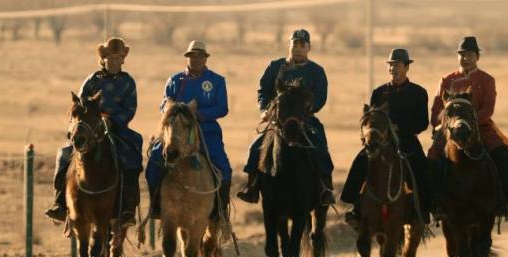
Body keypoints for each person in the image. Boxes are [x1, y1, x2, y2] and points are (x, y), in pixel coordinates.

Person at [45, 37, 142, 227]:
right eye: (110, 58)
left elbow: (130, 109)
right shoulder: (92, 80)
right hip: (90, 128)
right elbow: (79, 105)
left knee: (132, 155)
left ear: (123, 59)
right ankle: (60, 204)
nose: (114, 61)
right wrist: (87, 122)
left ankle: (127, 209)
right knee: (64, 155)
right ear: (103, 59)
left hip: (117, 129)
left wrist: (112, 120)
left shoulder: (128, 82)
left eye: (118, 58)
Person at [236, 28, 334, 205]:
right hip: (278, 120)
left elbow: (320, 96)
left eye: (302, 45)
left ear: (309, 48)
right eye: (294, 44)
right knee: (255, 147)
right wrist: (265, 110)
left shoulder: (316, 71)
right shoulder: (275, 67)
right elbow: (263, 91)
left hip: (305, 120)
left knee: (320, 144)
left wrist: (307, 107)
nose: (298, 48)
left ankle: (325, 187)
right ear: (288, 45)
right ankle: (252, 187)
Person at [341, 48, 430, 228]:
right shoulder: (379, 92)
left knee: (422, 166)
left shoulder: (419, 92)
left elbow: (422, 123)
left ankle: (426, 209)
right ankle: (354, 207)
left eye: (397, 65)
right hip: (380, 141)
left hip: (406, 140)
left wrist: (399, 128)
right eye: (390, 65)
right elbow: (372, 118)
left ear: (406, 67)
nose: (393, 69)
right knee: (360, 161)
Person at [427, 36, 508, 218]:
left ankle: (502, 200)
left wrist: (470, 123)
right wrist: (445, 125)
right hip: (451, 131)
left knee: (504, 157)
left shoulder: (487, 80)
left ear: (477, 57)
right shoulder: (446, 80)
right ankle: (435, 204)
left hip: (481, 128)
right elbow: (436, 110)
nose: (465, 58)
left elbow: (488, 109)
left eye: (469, 55)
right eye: (462, 54)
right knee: (432, 159)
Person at [145, 40, 232, 221]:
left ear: (205, 58)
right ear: (188, 58)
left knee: (224, 168)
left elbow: (222, 108)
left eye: (200, 56)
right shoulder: (175, 80)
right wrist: (172, 109)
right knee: (154, 160)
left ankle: (219, 212)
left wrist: (198, 114)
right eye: (193, 56)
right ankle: (155, 207)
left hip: (206, 131)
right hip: (175, 131)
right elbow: (163, 104)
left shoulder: (216, 81)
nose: (196, 59)